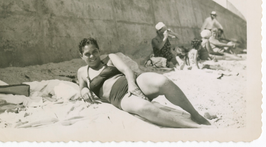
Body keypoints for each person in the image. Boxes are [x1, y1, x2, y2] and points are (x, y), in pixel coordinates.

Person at [77, 37, 211, 128]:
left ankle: (196, 115)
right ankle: (194, 127)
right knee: (144, 108)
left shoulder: (110, 58)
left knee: (163, 81)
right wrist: (83, 91)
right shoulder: (82, 72)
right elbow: (82, 88)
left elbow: (127, 70)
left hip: (133, 82)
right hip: (118, 96)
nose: (92, 56)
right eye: (87, 54)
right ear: (81, 55)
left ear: (99, 50)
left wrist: (133, 86)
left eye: (95, 51)